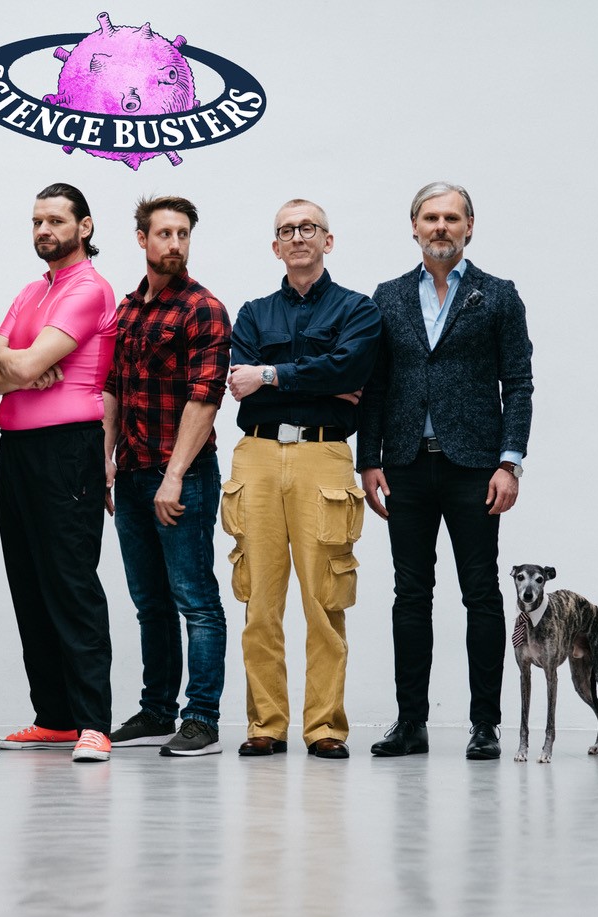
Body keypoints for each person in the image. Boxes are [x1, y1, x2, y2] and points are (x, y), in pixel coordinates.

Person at [357, 181, 534, 761]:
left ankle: (485, 724)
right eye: (430, 217)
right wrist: (370, 458)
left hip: (475, 468)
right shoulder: (386, 297)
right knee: (410, 595)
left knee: (481, 594)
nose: (440, 227)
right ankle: (412, 723)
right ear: (414, 227)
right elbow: (376, 385)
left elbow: (520, 385)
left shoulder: (498, 295)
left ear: (469, 227)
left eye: (451, 218)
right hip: (405, 465)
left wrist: (510, 462)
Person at [222, 199, 381, 761]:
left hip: (324, 457)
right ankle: (265, 723)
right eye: (286, 230)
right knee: (259, 600)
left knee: (324, 599)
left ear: (327, 240)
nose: (297, 237)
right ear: (275, 246)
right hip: (258, 456)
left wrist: (270, 374)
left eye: (307, 228)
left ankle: (325, 728)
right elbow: (239, 385)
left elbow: (352, 370)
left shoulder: (359, 310)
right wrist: (321, 381)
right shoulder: (252, 313)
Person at [0, 183, 116, 763]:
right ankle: (55, 717)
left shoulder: (89, 289)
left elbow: (19, 361)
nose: (44, 230)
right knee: (29, 583)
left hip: (68, 451)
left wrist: (17, 366)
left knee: (71, 582)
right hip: (17, 451)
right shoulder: (31, 291)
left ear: (84, 227)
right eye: (37, 220)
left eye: (56, 220)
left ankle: (93, 723)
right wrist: (14, 370)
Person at [103, 195, 231, 758]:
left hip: (181, 474)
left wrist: (173, 477)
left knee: (195, 599)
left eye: (183, 234)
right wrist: (107, 462)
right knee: (148, 601)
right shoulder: (128, 309)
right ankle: (157, 710)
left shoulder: (203, 308)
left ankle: (201, 717)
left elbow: (206, 399)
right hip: (130, 474)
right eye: (164, 234)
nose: (174, 243)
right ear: (142, 239)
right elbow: (112, 388)